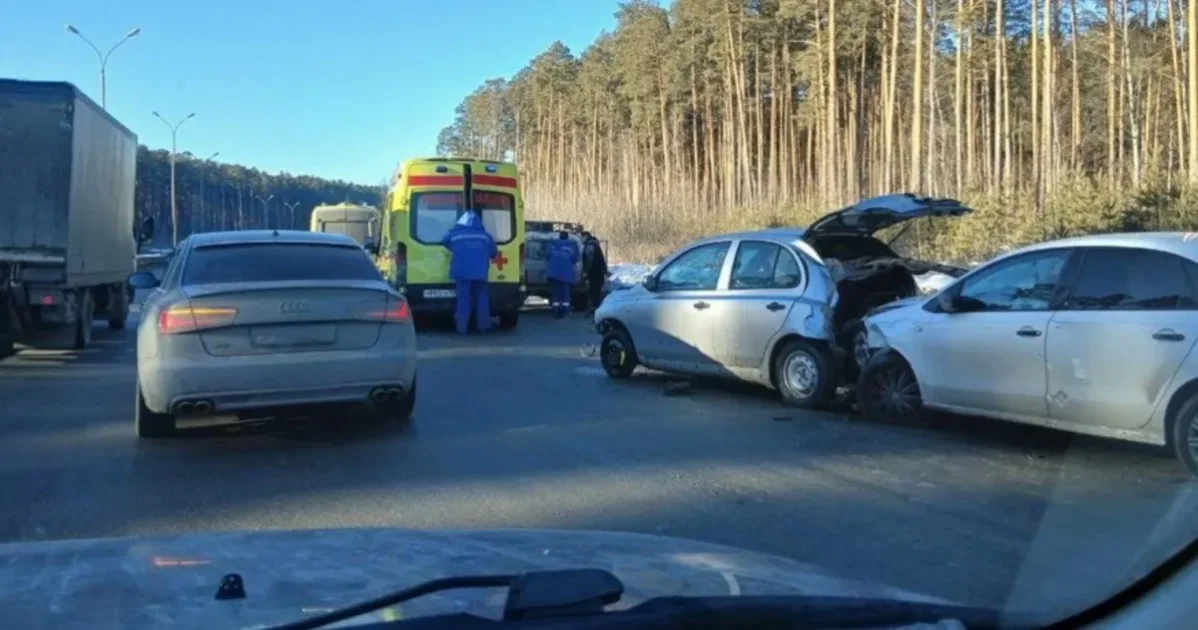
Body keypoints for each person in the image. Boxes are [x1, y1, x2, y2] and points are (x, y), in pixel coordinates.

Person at [441, 210, 498, 334]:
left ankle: (462, 328)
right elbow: (494, 252)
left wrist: (455, 229)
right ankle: (483, 327)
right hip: (480, 273)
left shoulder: (455, 235)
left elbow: (444, 241)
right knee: (482, 299)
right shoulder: (486, 236)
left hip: (461, 272)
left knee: (463, 300)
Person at [545, 231, 579, 318]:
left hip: (553, 273)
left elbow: (547, 256)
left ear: (559, 237)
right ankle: (565, 311)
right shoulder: (571, 246)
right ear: (567, 237)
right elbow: (575, 259)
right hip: (566, 274)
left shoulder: (552, 245)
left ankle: (555, 310)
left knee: (556, 292)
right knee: (565, 293)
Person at [581, 231, 608, 313]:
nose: (581, 239)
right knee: (597, 290)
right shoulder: (595, 245)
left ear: (586, 236)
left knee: (593, 290)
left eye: (582, 237)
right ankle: (596, 306)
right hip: (599, 271)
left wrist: (586, 272)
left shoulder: (590, 246)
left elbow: (589, 259)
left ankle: (595, 308)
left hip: (594, 272)